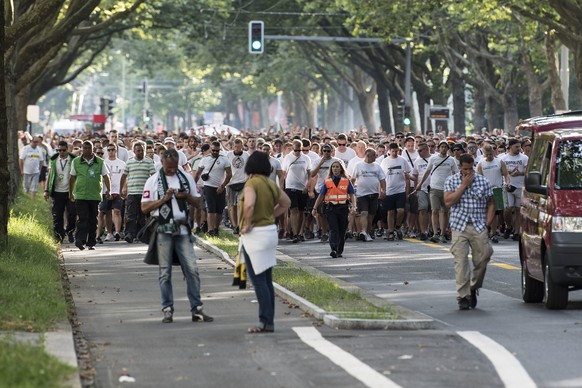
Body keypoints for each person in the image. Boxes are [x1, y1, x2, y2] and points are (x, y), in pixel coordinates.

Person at [141, 149, 213, 324]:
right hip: (163, 230)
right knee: (165, 272)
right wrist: (164, 199)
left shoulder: (186, 178)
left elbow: (198, 202)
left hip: (182, 230)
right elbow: (144, 208)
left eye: (174, 167)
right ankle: (167, 308)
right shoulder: (153, 181)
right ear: (162, 163)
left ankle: (197, 308)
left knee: (192, 269)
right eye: (169, 167)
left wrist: (186, 196)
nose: (172, 170)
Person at [238, 151, 291, 333]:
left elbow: (249, 204)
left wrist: (247, 223)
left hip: (256, 235)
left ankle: (265, 321)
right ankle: (269, 320)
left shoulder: (252, 183)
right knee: (267, 279)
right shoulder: (270, 183)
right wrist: (269, 215)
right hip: (269, 231)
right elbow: (286, 203)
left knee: (258, 280)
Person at [444, 153, 495, 310]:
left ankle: (473, 287)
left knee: (484, 255)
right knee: (461, 261)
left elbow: (492, 203)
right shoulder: (451, 181)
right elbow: (448, 201)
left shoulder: (483, 181)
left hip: (478, 225)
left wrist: (487, 223)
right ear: (460, 167)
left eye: (471, 168)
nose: (468, 172)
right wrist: (463, 185)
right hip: (459, 225)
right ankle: (463, 297)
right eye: (465, 169)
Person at [69, 141, 111, 250]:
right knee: (82, 218)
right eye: (85, 148)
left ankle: (91, 242)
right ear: (82, 149)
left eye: (89, 148)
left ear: (92, 149)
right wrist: (71, 192)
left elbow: (106, 177)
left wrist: (108, 190)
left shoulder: (100, 162)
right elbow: (72, 178)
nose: (87, 150)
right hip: (80, 194)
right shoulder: (76, 161)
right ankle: (80, 239)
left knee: (93, 219)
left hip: (94, 195)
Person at [312, 160, 356, 258]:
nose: (335, 168)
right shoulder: (327, 181)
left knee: (341, 230)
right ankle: (334, 249)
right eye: (333, 167)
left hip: (343, 208)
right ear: (331, 169)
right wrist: (314, 208)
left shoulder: (346, 180)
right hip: (331, 208)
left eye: (337, 167)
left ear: (341, 169)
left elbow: (352, 194)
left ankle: (339, 250)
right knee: (333, 229)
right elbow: (321, 195)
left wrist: (353, 206)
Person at [120, 140, 156, 243]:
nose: (140, 152)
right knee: (131, 215)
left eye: (142, 150)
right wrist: (121, 189)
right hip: (132, 192)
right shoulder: (129, 162)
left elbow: (153, 176)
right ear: (134, 151)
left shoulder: (149, 161)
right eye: (138, 150)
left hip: (145, 194)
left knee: (142, 216)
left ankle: (141, 235)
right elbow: (123, 176)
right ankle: (129, 234)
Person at [194, 141, 232, 236]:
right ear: (210, 149)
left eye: (217, 151)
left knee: (219, 210)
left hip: (220, 187)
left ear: (219, 150)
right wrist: (193, 184)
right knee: (210, 209)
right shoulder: (205, 159)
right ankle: (210, 230)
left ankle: (216, 228)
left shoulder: (224, 159)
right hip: (208, 186)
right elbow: (198, 173)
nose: (215, 152)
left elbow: (229, 174)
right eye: (213, 150)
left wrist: (223, 185)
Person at [45, 140, 77, 243]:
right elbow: (49, 175)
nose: (61, 152)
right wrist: (46, 190)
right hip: (57, 192)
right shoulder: (54, 159)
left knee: (72, 214)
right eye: (59, 150)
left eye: (63, 150)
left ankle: (70, 231)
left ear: (68, 149)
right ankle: (59, 235)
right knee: (57, 215)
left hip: (70, 191)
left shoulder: (73, 159)